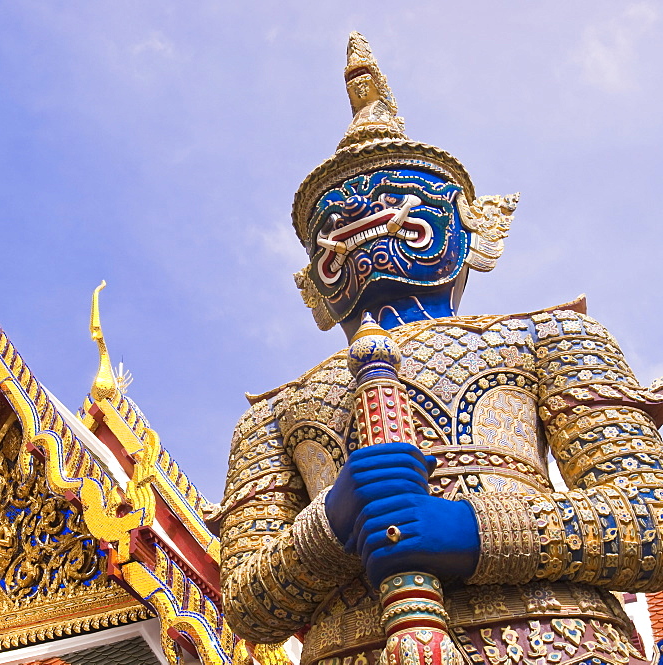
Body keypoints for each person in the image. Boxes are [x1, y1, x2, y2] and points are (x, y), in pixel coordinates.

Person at [218, 32, 663, 665]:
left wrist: (477, 532)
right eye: (339, 214)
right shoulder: (270, 415)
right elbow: (247, 605)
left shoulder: (550, 339)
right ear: (312, 280)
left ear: (475, 230)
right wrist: (331, 524)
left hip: (557, 641)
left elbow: (653, 517)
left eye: (402, 200)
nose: (367, 217)